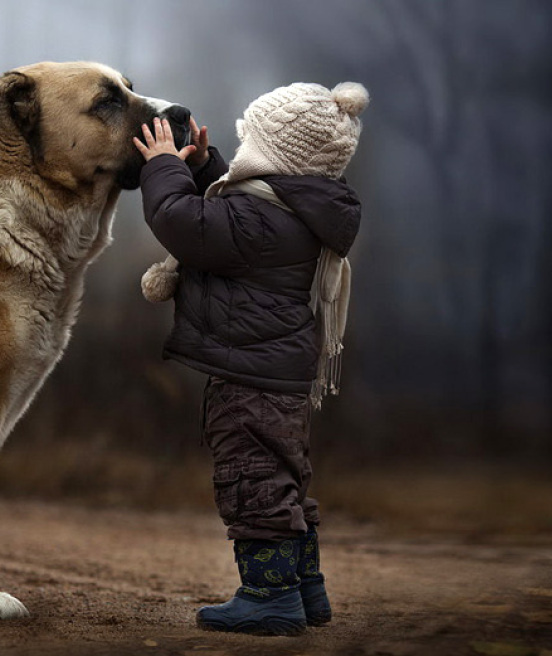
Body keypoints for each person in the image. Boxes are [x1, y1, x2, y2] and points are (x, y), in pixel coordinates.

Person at [131, 82, 368, 635]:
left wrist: (163, 167)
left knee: (252, 480)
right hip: (277, 375)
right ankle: (306, 590)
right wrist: (202, 165)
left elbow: (180, 220)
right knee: (283, 479)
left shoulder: (259, 223)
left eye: (249, 143)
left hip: (249, 379)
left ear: (275, 155)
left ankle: (269, 597)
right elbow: (225, 211)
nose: (240, 155)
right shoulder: (290, 211)